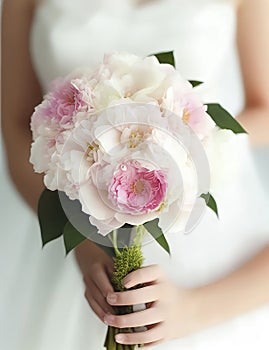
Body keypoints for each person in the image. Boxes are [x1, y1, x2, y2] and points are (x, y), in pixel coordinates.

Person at [1, 0, 269, 349]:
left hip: (207, 244)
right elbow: (17, 125)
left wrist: (183, 142)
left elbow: (264, 108)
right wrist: (85, 245)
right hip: (84, 230)